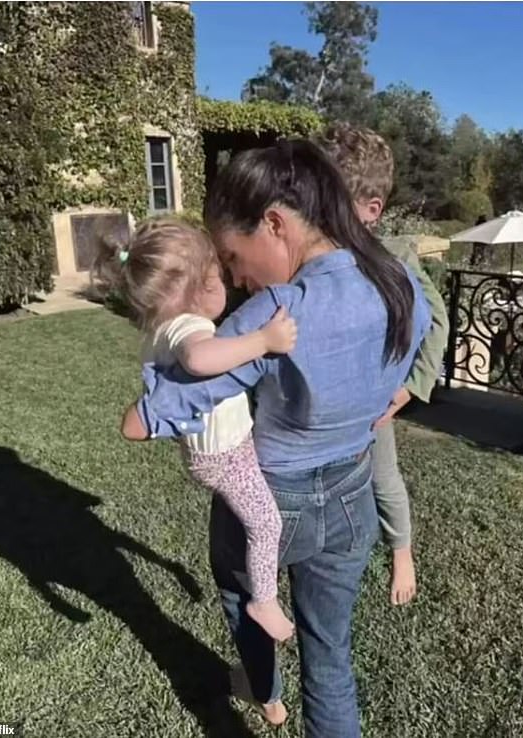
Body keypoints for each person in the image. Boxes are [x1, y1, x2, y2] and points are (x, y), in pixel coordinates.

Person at [121, 139, 431, 738]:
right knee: (331, 656)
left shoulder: (276, 312)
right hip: (353, 493)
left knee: (241, 594)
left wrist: (143, 406)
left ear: (275, 224)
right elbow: (411, 358)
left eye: (234, 256)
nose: (234, 276)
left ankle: (263, 688)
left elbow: (154, 416)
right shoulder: (401, 283)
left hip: (270, 492)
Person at [93, 217, 298, 641]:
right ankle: (264, 599)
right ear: (202, 287)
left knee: (252, 516)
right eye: (218, 274)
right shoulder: (190, 326)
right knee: (266, 524)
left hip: (211, 452)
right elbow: (201, 360)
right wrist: (264, 341)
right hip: (224, 453)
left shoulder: (160, 328)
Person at [316, 124, 450, 605]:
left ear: (371, 210)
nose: (318, 212)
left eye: (330, 201)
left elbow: (437, 321)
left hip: (375, 397)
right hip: (324, 398)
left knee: (383, 477)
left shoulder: (393, 258)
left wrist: (409, 389)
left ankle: (401, 552)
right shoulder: (313, 254)